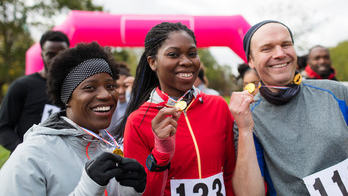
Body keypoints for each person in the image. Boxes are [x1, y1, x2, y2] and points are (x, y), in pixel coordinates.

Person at [230, 20, 348, 196]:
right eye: (267, 48)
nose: (279, 54)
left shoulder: (335, 92)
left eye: (286, 45)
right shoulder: (248, 118)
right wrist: (245, 129)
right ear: (251, 60)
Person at [0, 42, 147, 195]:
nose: (106, 95)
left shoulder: (111, 147)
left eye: (110, 86)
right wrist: (87, 189)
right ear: (67, 99)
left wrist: (130, 191)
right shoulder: (31, 155)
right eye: (90, 87)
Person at [118, 22, 235, 195]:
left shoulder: (218, 106)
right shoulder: (138, 121)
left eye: (192, 54)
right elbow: (140, 192)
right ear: (152, 62)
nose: (186, 61)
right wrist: (160, 154)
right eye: (173, 54)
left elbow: (229, 174)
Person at [0, 30, 69, 152]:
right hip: (28, 161)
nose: (56, 59)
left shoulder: (76, 87)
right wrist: (24, 149)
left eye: (61, 54)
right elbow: (3, 128)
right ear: (42, 54)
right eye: (50, 54)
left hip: (64, 159)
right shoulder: (21, 86)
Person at [107, 62, 134, 138]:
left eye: (126, 86)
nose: (121, 91)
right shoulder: (106, 107)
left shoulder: (136, 105)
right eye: (116, 86)